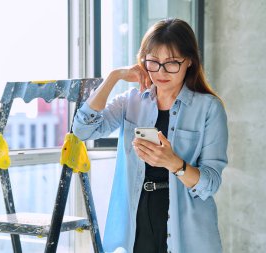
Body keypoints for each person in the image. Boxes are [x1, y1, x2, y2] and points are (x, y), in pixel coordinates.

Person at [73, 18, 228, 253]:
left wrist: (173, 163)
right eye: (153, 62)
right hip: (137, 219)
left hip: (185, 226)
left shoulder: (208, 108)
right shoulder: (131, 101)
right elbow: (83, 130)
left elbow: (210, 184)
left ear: (189, 62)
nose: (161, 72)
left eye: (172, 63)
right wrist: (114, 77)